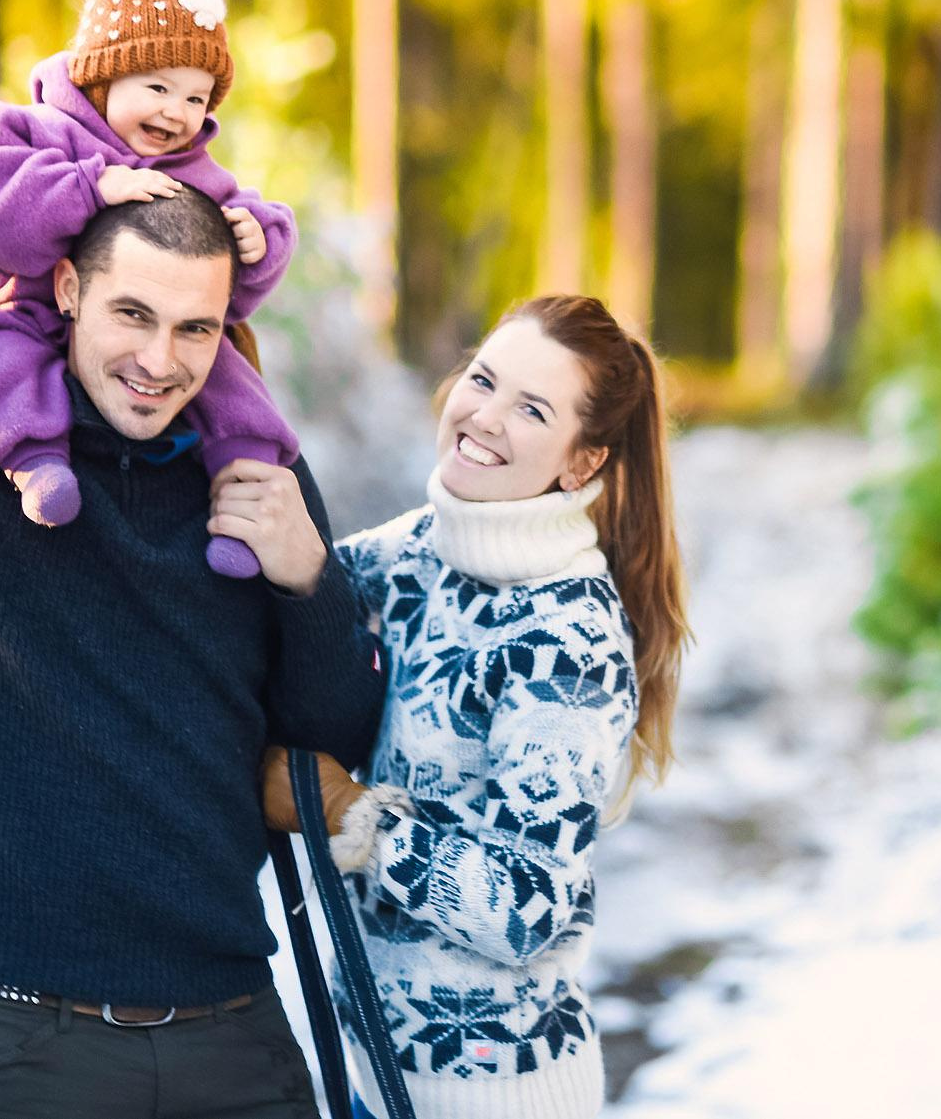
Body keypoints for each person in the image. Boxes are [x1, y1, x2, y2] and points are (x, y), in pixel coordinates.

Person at [0, 165, 383, 1119]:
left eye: (196, 327)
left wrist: (309, 577)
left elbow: (329, 740)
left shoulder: (256, 477)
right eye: (132, 313)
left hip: (231, 1032)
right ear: (67, 289)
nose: (161, 357)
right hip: (15, 1044)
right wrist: (53, 184)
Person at [266, 296, 691, 1119]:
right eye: (484, 379)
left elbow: (527, 905)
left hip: (501, 1097)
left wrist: (348, 810)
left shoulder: (566, 640)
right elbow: (308, 596)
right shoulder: (427, 546)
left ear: (581, 460)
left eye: (531, 408)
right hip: (376, 1076)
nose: (485, 416)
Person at [0, 0, 298, 565]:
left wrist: (258, 240)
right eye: (157, 87)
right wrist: (87, 188)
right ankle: (34, 460)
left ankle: (242, 486)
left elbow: (226, 297)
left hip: (131, 331)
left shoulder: (195, 169)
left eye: (196, 99)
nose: (175, 113)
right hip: (24, 304)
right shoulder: (38, 131)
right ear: (104, 77)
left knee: (225, 361)